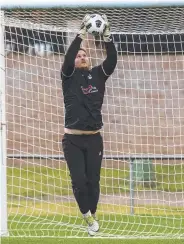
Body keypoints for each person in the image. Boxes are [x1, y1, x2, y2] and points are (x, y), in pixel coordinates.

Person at [61, 14, 117, 236]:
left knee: (94, 182)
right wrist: (80, 35)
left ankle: (91, 218)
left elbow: (111, 59)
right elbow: (67, 60)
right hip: (72, 139)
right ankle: (86, 215)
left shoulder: (98, 75)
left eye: (84, 55)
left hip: (94, 138)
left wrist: (107, 36)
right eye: (78, 55)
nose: (81, 57)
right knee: (79, 182)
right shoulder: (68, 76)